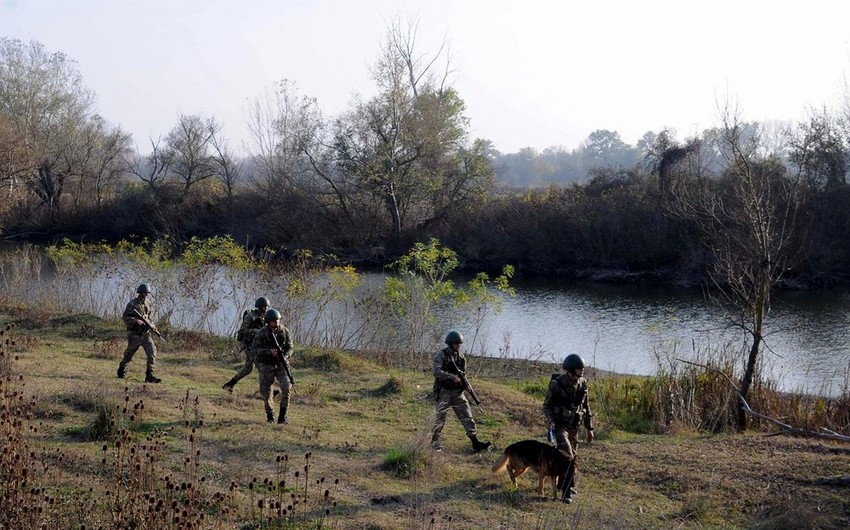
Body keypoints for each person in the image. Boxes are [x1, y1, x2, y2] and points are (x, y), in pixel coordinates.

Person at [542, 353, 595, 503]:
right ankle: (566, 492)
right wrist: (551, 421)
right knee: (567, 454)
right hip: (560, 426)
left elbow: (586, 406)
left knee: (574, 457)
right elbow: (547, 405)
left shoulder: (583, 383)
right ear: (571, 369)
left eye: (582, 368)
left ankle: (565, 484)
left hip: (574, 426)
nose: (582, 371)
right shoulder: (557, 384)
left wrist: (589, 428)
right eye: (579, 369)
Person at [431, 331, 491, 453]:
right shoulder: (441, 355)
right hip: (444, 392)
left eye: (459, 343)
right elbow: (436, 372)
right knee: (440, 418)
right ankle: (435, 442)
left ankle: (475, 442)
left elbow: (462, 374)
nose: (458, 345)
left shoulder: (461, 357)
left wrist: (466, 386)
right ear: (450, 343)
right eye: (456, 343)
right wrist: (451, 376)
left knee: (467, 416)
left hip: (457, 392)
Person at [250, 308, 294, 424]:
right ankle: (270, 415)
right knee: (266, 391)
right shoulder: (262, 333)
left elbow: (290, 347)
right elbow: (254, 350)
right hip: (266, 365)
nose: (277, 323)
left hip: (281, 364)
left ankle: (283, 417)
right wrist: (269, 352)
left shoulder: (284, 331)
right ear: (268, 322)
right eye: (274, 321)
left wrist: (285, 356)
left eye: (278, 320)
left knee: (287, 387)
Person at [222, 297, 269, 392]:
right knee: (261, 367)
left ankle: (229, 384)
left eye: (267, 306)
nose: (266, 308)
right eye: (265, 306)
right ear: (260, 307)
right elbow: (242, 330)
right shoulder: (251, 316)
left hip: (256, 345)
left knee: (248, 368)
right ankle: (267, 391)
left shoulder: (263, 316)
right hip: (248, 345)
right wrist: (255, 331)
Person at [116, 283, 161, 383]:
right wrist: (136, 321)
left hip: (145, 334)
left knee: (152, 352)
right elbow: (125, 317)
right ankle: (121, 368)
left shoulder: (148, 303)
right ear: (140, 293)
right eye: (144, 293)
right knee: (129, 355)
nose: (146, 295)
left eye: (147, 293)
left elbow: (149, 318)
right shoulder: (132, 304)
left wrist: (152, 326)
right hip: (135, 334)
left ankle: (149, 375)